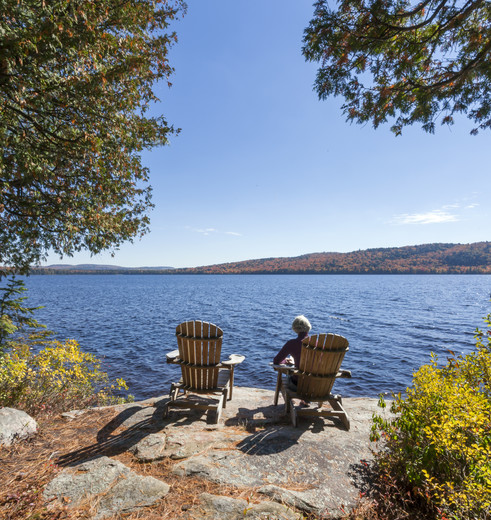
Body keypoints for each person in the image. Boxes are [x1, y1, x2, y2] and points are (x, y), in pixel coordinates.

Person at [273, 316, 312, 393]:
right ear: (308, 327)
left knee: (288, 377)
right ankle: (306, 401)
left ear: (295, 328)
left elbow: (276, 361)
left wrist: (285, 361)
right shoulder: (318, 344)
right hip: (317, 386)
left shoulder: (292, 343)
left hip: (298, 385)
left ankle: (290, 402)